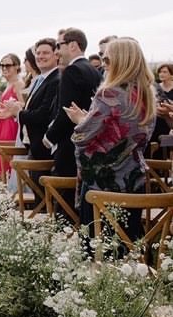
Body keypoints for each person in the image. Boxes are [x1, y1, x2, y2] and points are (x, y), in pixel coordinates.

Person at [65, 37, 156, 245]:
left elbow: (82, 136)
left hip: (103, 181)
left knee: (95, 248)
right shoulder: (146, 94)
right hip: (135, 180)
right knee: (126, 246)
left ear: (119, 62)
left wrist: (81, 121)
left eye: (106, 61)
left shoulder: (108, 93)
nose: (103, 65)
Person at [44, 28, 101, 178]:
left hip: (70, 145)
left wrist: (49, 137)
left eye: (58, 46)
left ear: (73, 45)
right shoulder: (92, 70)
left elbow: (66, 111)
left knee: (64, 196)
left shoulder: (72, 70)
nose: (56, 52)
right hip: (89, 144)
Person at [1, 38, 60, 160]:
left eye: (46, 53)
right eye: (38, 53)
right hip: (33, 144)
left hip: (44, 147)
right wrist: (15, 111)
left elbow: (43, 114)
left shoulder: (56, 80)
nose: (40, 56)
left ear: (56, 55)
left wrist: (18, 112)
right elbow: (32, 107)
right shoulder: (41, 80)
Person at [0, 54, 23, 177]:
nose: (4, 68)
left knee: (7, 156)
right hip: (2, 125)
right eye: (2, 65)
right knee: (0, 155)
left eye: (8, 65)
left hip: (11, 126)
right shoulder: (8, 84)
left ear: (17, 67)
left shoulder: (19, 84)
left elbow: (24, 104)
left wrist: (9, 112)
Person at [149, 63, 173, 154]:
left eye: (164, 72)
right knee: (155, 146)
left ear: (171, 74)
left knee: (168, 148)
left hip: (170, 122)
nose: (161, 74)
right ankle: (157, 165)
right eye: (160, 72)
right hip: (157, 121)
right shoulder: (155, 87)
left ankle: (166, 165)